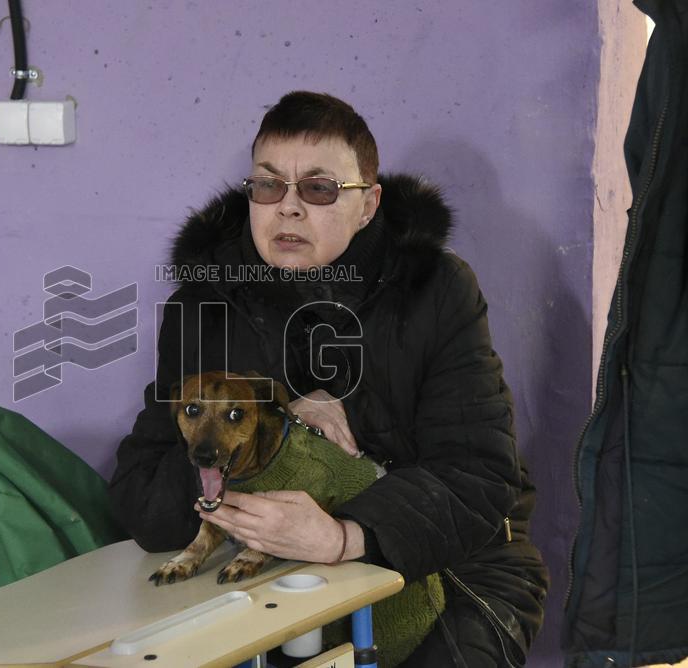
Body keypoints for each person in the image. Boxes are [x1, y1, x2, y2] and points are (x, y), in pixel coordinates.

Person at [109, 91, 548, 666]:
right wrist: (275, 411)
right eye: (268, 186)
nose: (287, 208)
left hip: (451, 570)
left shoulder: (434, 289)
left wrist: (344, 536)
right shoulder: (201, 307)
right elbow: (145, 504)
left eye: (318, 189)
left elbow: (479, 477)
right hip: (261, 575)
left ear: (368, 205)